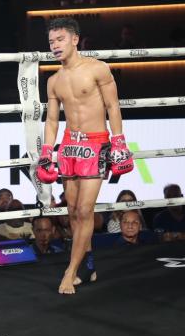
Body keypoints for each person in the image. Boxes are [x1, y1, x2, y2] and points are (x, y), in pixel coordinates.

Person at [37, 17, 133, 294]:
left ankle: (70, 272)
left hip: (96, 143)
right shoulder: (54, 81)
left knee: (84, 210)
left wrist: (118, 141)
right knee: (72, 213)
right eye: (51, 42)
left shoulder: (97, 69)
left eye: (60, 39)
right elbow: (52, 120)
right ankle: (88, 264)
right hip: (69, 146)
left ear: (75, 40)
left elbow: (113, 106)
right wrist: (47, 152)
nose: (55, 46)